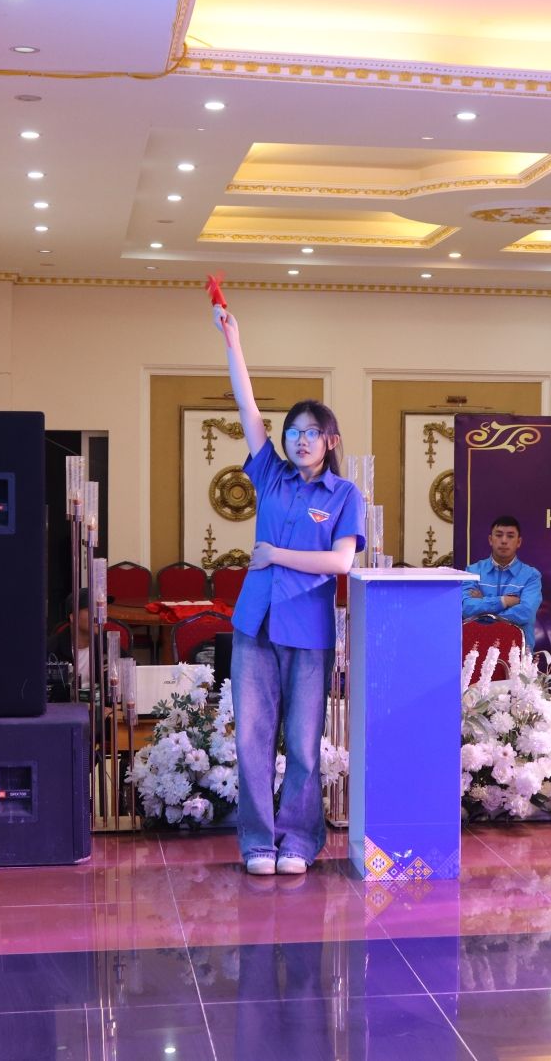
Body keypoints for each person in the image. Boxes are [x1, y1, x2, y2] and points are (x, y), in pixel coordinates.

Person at [213, 303, 365, 878]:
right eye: (294, 432)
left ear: (330, 441)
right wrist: (234, 342)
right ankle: (258, 841)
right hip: (254, 624)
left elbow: (341, 561)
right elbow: (246, 407)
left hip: (309, 630)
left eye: (311, 433)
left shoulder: (344, 494)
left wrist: (276, 554)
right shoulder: (271, 475)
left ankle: (299, 839)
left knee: (302, 743)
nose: (300, 440)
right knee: (252, 741)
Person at [462, 516, 543, 648]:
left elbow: (526, 612)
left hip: (517, 650)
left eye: (510, 536)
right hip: (475, 649)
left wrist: (484, 606)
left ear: (519, 542)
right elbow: (466, 608)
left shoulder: (531, 576)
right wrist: (504, 601)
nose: (504, 541)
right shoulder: (472, 571)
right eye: (499, 535)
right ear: (490, 540)